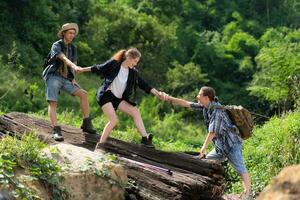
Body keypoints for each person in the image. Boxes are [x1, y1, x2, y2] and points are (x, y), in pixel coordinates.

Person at [162, 86, 252, 200]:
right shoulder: (205, 106)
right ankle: (212, 190)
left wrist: (203, 148)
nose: (197, 97)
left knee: (241, 169)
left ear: (206, 97)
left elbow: (212, 132)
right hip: (220, 147)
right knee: (206, 163)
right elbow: (186, 103)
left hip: (231, 144)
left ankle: (248, 194)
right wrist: (170, 98)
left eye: (199, 95)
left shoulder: (217, 110)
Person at [77, 47, 162, 146]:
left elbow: (145, 85)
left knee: (135, 111)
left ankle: (145, 139)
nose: (135, 64)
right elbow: (99, 68)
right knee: (113, 120)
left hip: (118, 99)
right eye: (134, 61)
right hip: (106, 95)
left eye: (137, 62)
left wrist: (158, 93)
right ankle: (101, 145)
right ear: (128, 57)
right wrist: (82, 69)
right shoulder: (114, 64)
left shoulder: (133, 73)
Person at [42, 23, 97, 141]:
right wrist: (74, 65)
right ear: (64, 33)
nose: (72, 35)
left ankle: (86, 124)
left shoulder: (73, 48)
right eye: (70, 33)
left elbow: (72, 63)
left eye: (74, 33)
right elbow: (62, 57)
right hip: (53, 76)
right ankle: (56, 130)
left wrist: (73, 78)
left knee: (84, 94)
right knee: (53, 103)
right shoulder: (56, 45)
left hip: (66, 78)